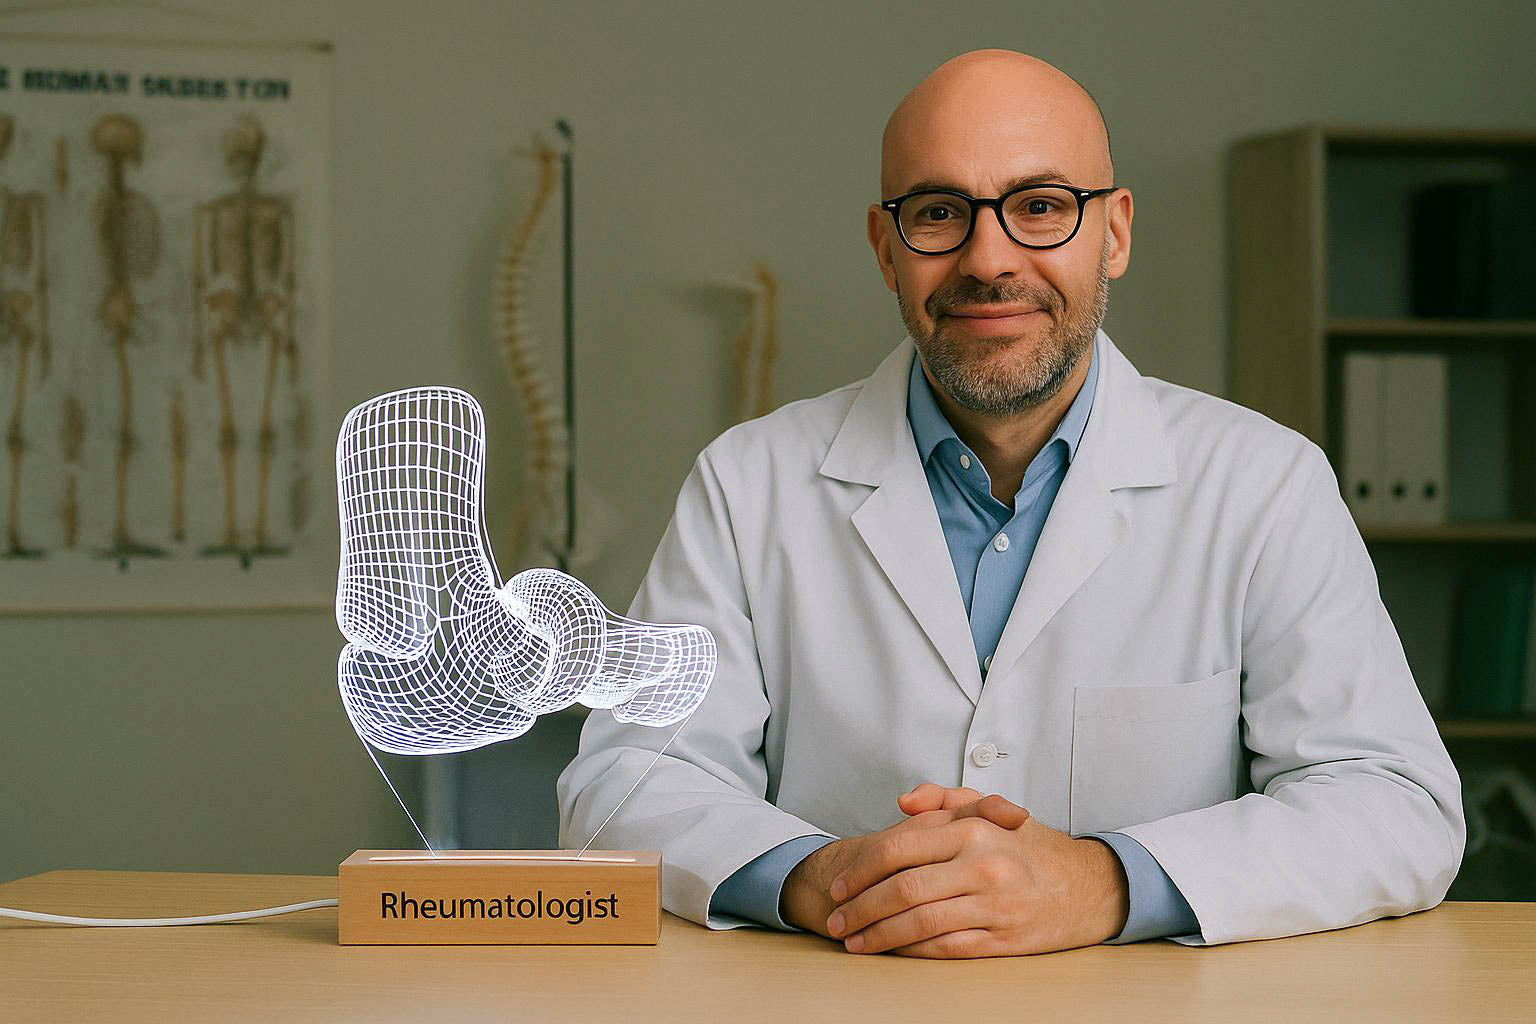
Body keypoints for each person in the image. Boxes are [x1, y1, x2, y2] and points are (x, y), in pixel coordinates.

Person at [557, 48, 1464, 958]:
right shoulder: (749, 483)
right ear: (885, 248)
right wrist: (821, 878)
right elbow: (624, 785)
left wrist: (1104, 883)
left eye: (1040, 207)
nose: (989, 261)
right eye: (940, 213)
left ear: (1113, 232)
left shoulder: (1264, 483)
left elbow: (1395, 803)